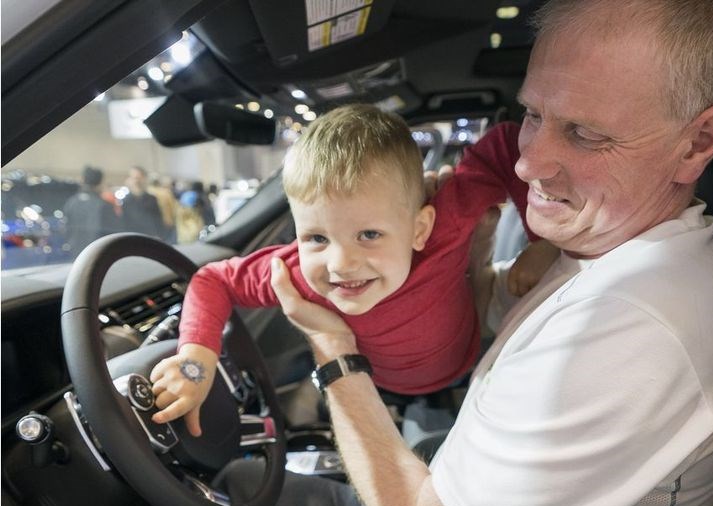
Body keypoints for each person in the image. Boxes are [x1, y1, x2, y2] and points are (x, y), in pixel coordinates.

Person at [39, 1, 713, 506]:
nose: (528, 161)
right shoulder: (608, 255)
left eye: (584, 133)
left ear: (698, 142)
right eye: (535, 116)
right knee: (232, 492)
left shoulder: (648, 321)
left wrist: (335, 352)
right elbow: (490, 174)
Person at [149, 103, 553, 437]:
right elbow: (212, 280)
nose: (339, 265)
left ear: (419, 229)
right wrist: (195, 359)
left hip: (472, 359)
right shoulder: (291, 272)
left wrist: (543, 241)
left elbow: (505, 144)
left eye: (369, 234)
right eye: (316, 238)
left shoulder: (444, 224)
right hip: (381, 389)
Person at [60, 166, 119, 255]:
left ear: (83, 180)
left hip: (76, 255)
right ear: (100, 183)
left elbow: (66, 229)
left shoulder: (71, 203)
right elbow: (113, 233)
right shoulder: (104, 206)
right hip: (98, 254)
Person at [120, 165, 172, 242]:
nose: (136, 181)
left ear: (144, 178)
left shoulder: (152, 199)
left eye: (138, 178)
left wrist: (160, 236)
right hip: (133, 240)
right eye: (133, 178)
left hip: (151, 239)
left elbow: (158, 220)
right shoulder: (126, 201)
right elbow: (124, 224)